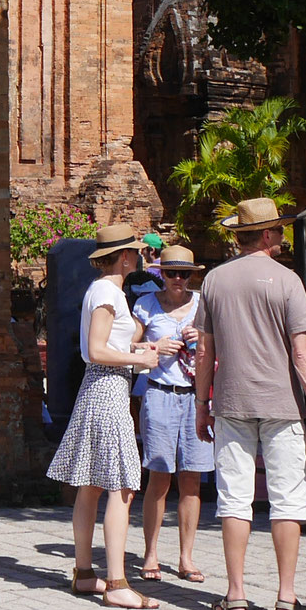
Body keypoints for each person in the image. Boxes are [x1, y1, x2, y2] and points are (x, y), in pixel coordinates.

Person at [194, 198, 306, 610]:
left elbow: (203, 349)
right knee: (288, 500)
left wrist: (202, 403)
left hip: (231, 402)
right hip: (283, 405)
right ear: (267, 235)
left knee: (235, 499)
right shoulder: (287, 281)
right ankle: (286, 597)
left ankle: (235, 595)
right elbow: (303, 351)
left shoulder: (214, 280)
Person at [48, 222, 161, 608]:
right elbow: (96, 349)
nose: (140, 255)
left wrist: (149, 346)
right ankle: (116, 583)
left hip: (102, 387)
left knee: (91, 484)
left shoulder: (108, 290)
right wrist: (139, 358)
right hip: (107, 388)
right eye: (136, 250)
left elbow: (110, 343)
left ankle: (84, 573)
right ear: (125, 255)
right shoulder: (106, 292)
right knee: (122, 485)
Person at [134, 243, 214, 582]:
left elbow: (220, 345)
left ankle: (186, 556)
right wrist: (156, 347)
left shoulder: (202, 305)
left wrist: (204, 338)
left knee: (192, 480)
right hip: (160, 394)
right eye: (171, 273)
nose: (178, 279)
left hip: (197, 398)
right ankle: (151, 554)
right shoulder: (146, 305)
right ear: (160, 274)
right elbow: (127, 347)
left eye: (184, 274)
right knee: (159, 477)